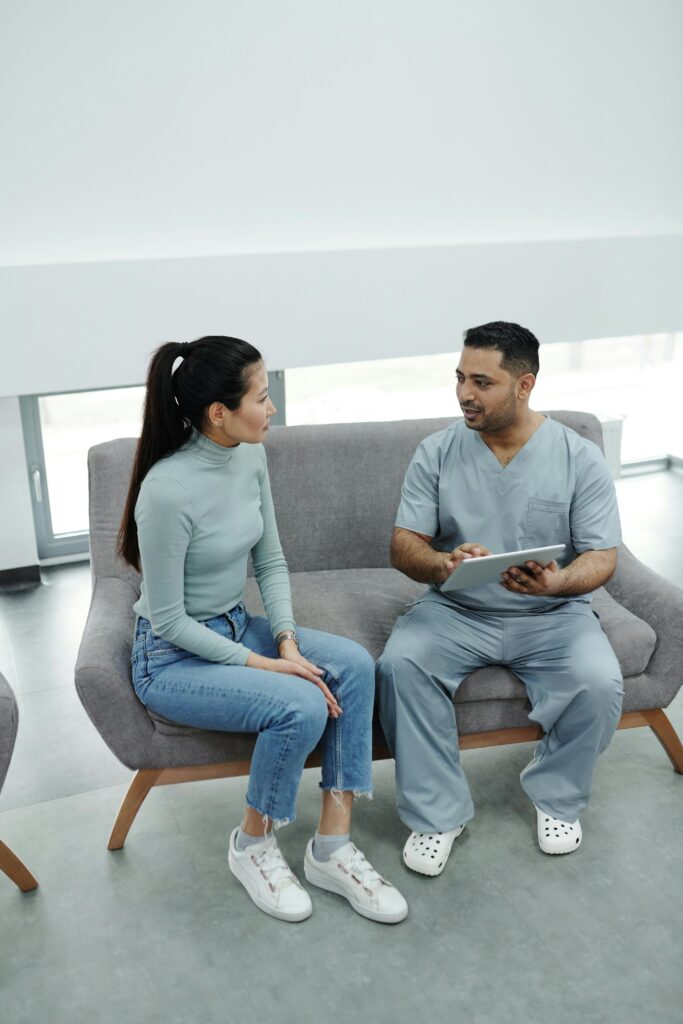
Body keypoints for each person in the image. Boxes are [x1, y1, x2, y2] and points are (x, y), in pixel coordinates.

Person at [118, 335, 407, 923]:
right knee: (298, 707)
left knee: (352, 664)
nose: (272, 408)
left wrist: (287, 641)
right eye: (261, 396)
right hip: (172, 657)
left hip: (233, 625)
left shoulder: (250, 454)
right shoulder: (166, 491)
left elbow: (270, 560)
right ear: (218, 412)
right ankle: (251, 844)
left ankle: (331, 847)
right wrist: (272, 668)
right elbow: (169, 619)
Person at [376, 321, 624, 877]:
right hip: (455, 612)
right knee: (399, 665)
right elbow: (402, 546)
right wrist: (442, 563)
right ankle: (437, 813)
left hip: (555, 615)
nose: (465, 393)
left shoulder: (577, 456)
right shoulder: (436, 451)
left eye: (482, 382)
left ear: (524, 384)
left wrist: (558, 583)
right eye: (460, 378)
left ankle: (556, 796)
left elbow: (603, 556)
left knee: (601, 681)